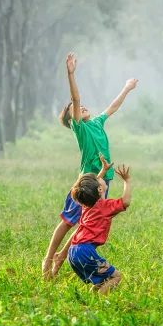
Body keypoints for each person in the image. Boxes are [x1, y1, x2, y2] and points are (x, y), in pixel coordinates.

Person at [42, 52, 138, 279]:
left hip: (103, 180)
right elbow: (75, 99)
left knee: (88, 221)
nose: (81, 106)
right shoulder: (80, 128)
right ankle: (48, 258)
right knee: (68, 221)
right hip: (86, 182)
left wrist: (126, 88)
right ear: (71, 119)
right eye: (74, 109)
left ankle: (62, 256)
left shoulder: (96, 122)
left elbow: (113, 107)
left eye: (82, 106)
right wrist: (71, 74)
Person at [67, 164, 132, 295]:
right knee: (116, 276)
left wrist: (103, 170)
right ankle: (100, 303)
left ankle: (91, 299)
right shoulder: (104, 206)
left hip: (73, 251)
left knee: (101, 281)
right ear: (100, 189)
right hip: (85, 252)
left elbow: (91, 188)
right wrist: (127, 181)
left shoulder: (87, 204)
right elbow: (125, 201)